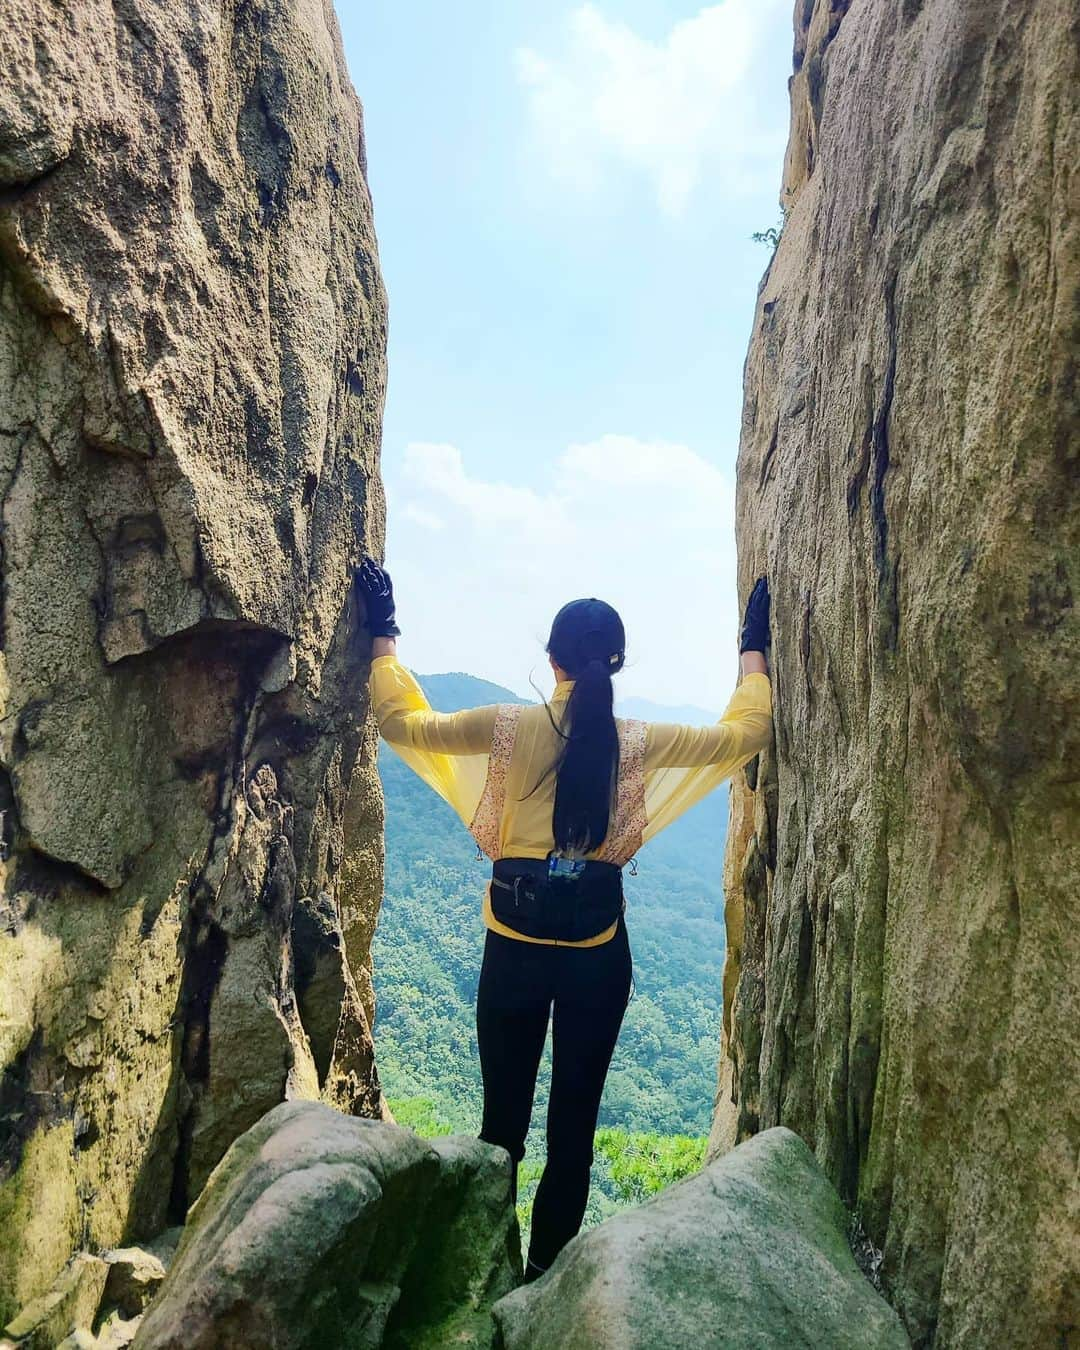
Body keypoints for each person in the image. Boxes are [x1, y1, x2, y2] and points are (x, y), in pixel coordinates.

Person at [354, 559, 773, 1280]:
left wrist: (385, 633)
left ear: (551, 658)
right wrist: (754, 651)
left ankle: (484, 1270)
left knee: (501, 1130)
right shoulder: (640, 743)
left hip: (512, 953)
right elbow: (746, 734)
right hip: (596, 957)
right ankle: (546, 1281)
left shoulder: (509, 729)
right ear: (615, 663)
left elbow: (402, 723)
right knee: (573, 1128)